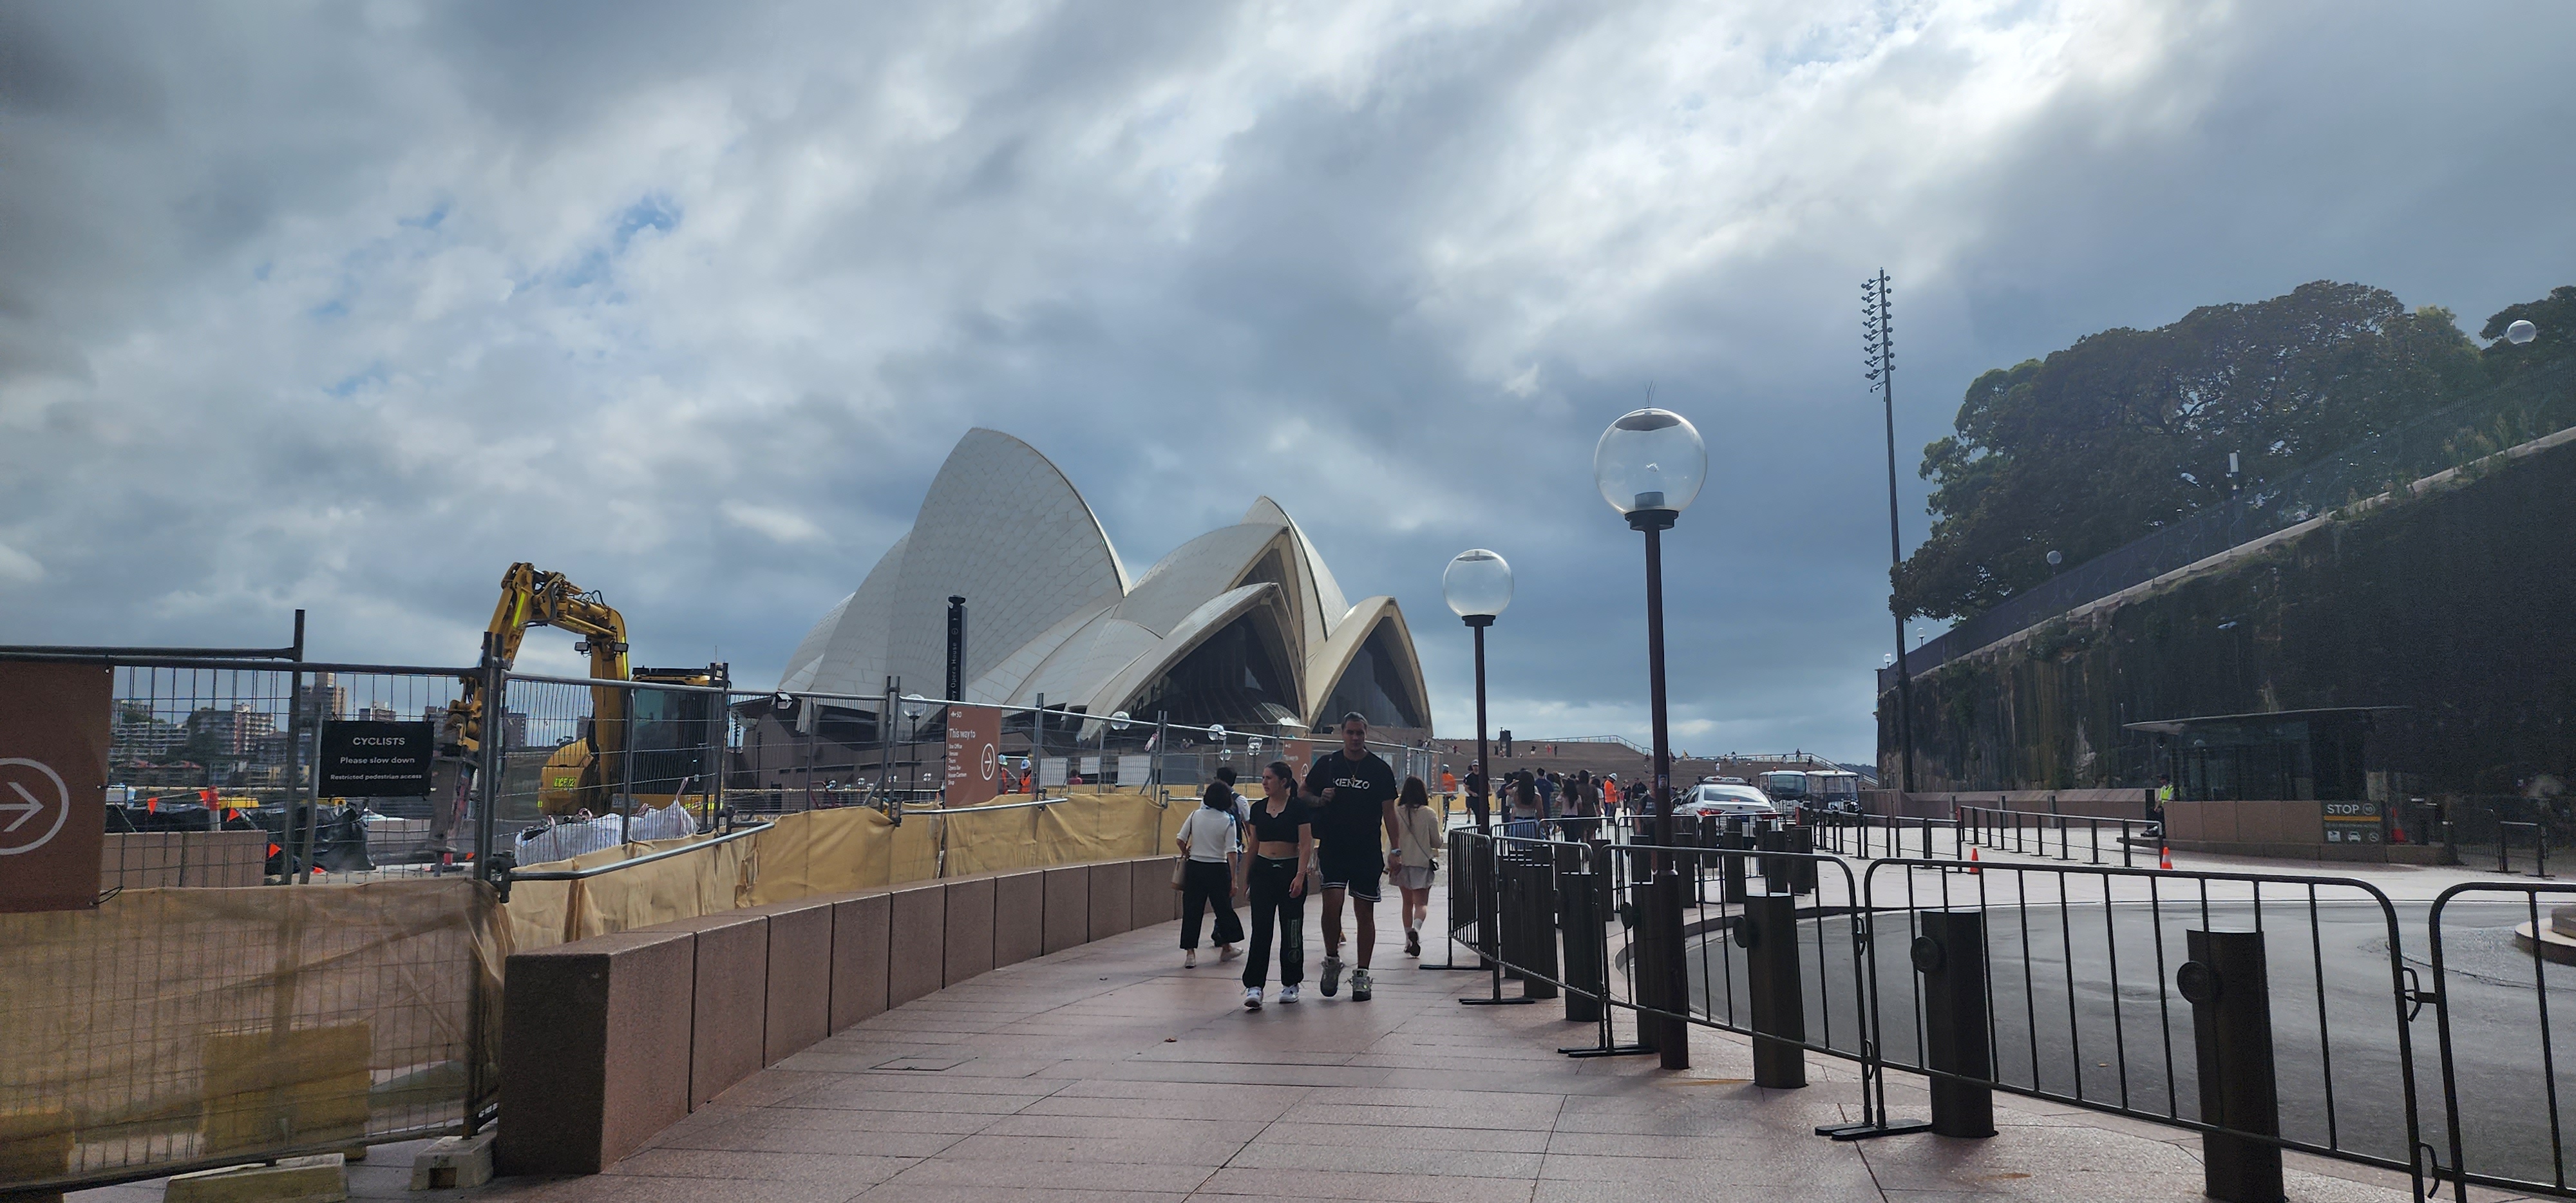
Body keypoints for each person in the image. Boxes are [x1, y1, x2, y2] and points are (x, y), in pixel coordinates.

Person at [1303, 712, 1402, 1001]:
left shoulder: (1379, 769)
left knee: (1364, 912)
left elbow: (1389, 812)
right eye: (1350, 732)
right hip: (1334, 846)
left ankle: (1362, 974)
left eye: (1360, 733)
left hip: (1366, 849)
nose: (1355, 738)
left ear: (1366, 734)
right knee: (1332, 904)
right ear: (1342, 733)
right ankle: (1332, 960)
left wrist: (1396, 850)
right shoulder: (1328, 764)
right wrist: (1319, 799)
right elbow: (1303, 792)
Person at [1242, 760, 1316, 1009]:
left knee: (1292, 929)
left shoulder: (1298, 808)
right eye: (1263, 778)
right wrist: (1247, 879)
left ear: (1283, 782)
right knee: (1261, 930)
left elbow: (1305, 845)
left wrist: (1300, 875)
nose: (1264, 782)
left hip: (1289, 871)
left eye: (1269, 778)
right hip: (1263, 872)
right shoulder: (1258, 809)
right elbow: (1253, 845)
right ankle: (1255, 985)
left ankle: (1291, 983)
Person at [1175, 777, 1246, 967]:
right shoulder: (1228, 820)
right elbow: (1232, 852)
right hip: (1218, 869)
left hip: (1195, 867)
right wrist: (1234, 879)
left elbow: (1180, 839)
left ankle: (1190, 954)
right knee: (1223, 910)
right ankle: (1226, 947)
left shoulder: (1195, 815)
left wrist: (1186, 852)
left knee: (1192, 910)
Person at [1392, 775, 1441, 956]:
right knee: (1421, 904)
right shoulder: (1429, 813)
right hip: (1421, 863)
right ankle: (1416, 930)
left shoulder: (1396, 812)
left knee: (1407, 903)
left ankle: (1408, 941)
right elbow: (1436, 842)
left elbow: (1391, 837)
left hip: (1402, 862)